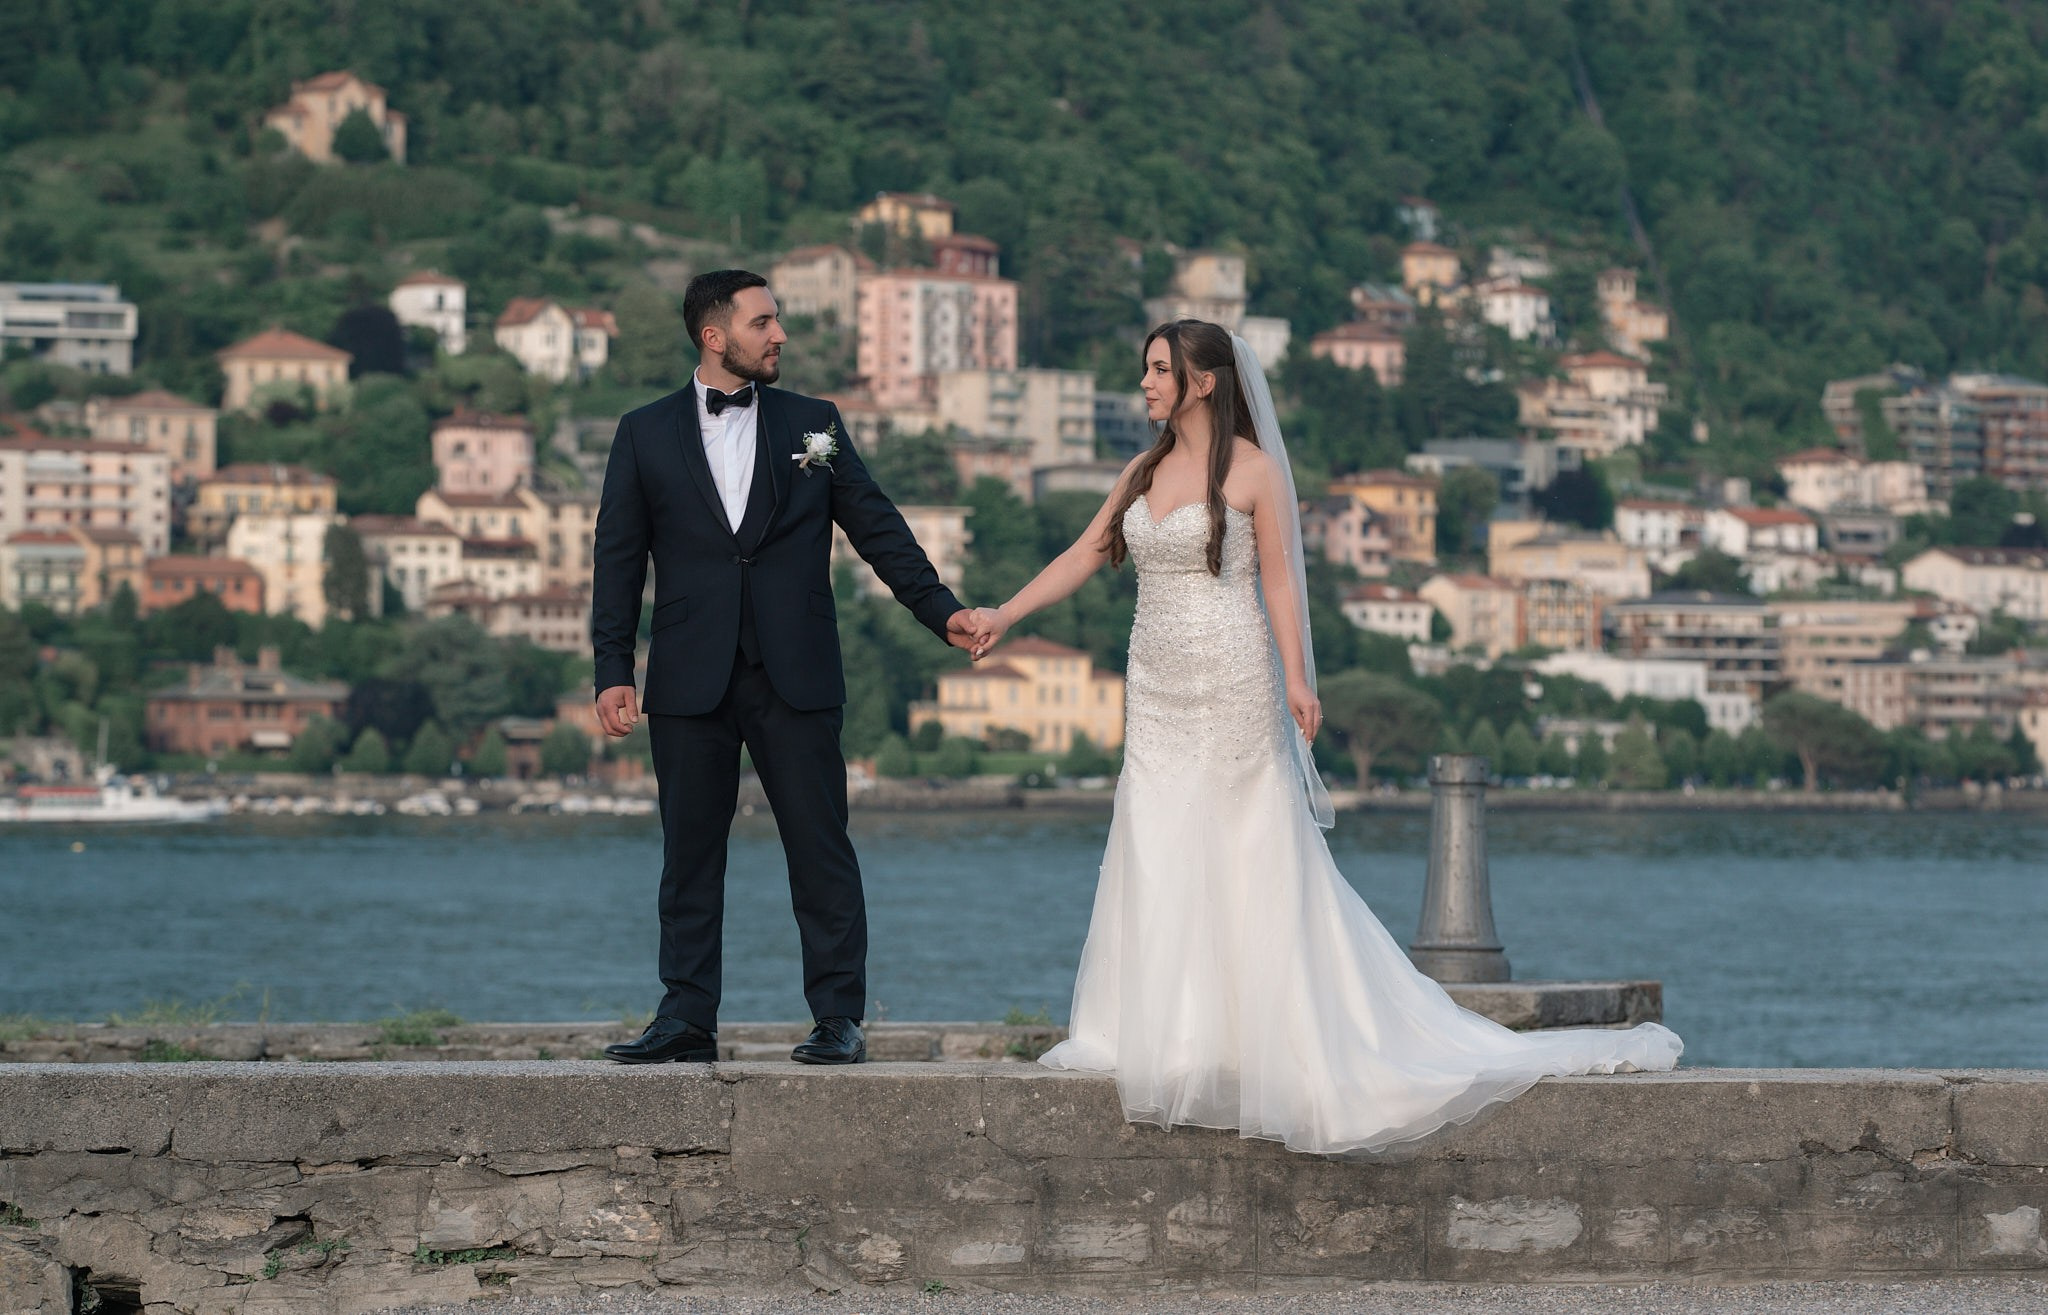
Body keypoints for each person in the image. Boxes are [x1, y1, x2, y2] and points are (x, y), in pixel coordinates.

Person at [966, 319, 1681, 1155]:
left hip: (1233, 678)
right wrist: (1003, 614)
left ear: (1204, 381)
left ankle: (1266, 1037)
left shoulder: (1255, 471)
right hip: (1155, 686)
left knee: (1244, 845)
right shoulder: (1141, 471)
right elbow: (1087, 551)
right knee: (1155, 838)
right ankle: (1163, 1033)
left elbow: (1278, 580)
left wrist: (1299, 678)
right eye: (1146, 369)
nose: (1146, 383)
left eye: (1160, 369)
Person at [591, 269, 983, 1067]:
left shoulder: (815, 424)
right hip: (689, 673)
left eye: (777, 320)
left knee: (820, 846)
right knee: (688, 855)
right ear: (714, 335)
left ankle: (838, 1016)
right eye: (763, 322)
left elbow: (876, 525)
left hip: (795, 668)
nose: (779, 335)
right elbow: (618, 557)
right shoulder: (642, 432)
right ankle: (686, 1015)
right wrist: (612, 665)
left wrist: (940, 610)